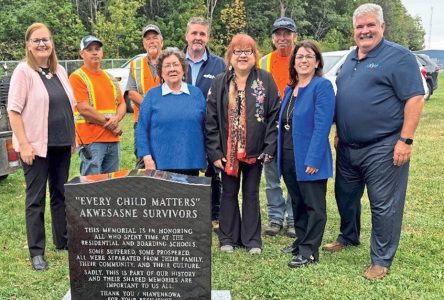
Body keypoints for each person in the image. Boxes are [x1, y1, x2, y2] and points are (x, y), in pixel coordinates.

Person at [323, 3, 424, 280]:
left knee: (383, 204)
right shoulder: (351, 58)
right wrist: (340, 130)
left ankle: (381, 259)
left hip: (383, 145)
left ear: (382, 27)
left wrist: (406, 139)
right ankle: (348, 236)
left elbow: (414, 98)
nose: (365, 31)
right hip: (347, 147)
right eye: (360, 26)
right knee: (345, 196)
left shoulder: (399, 57)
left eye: (370, 25)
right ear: (353, 30)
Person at [7, 23, 75, 270]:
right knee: (35, 199)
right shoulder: (23, 72)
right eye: (36, 40)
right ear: (28, 45)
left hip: (61, 144)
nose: (42, 44)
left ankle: (63, 240)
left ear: (52, 43)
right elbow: (13, 111)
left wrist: (72, 138)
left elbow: (68, 107)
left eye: (45, 39)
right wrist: (24, 144)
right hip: (35, 147)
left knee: (60, 194)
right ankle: (37, 252)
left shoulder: (59, 72)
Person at [205, 33, 280, 255]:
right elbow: (210, 119)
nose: (242, 55)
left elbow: (274, 115)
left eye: (248, 51)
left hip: (254, 151)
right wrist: (215, 151)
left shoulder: (266, 80)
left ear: (255, 55)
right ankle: (228, 237)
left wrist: (269, 146)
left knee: (251, 193)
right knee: (228, 193)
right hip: (227, 151)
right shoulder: (219, 82)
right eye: (237, 51)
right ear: (230, 56)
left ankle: (252, 240)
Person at [277, 40, 335, 267]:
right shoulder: (291, 89)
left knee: (314, 206)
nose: (303, 60)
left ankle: (310, 251)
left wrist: (313, 158)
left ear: (317, 61)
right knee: (298, 202)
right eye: (299, 57)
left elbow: (322, 126)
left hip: (310, 157)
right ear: (294, 62)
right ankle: (300, 241)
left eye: (308, 56)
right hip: (290, 155)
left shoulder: (322, 87)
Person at [136, 47, 206, 176]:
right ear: (161, 72)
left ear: (183, 69)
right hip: (159, 165)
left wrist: (206, 156)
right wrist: (146, 157)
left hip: (190, 163)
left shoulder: (196, 94)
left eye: (176, 65)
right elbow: (141, 128)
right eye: (167, 66)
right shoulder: (152, 96)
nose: (172, 69)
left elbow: (206, 127)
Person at [184, 17, 225, 231]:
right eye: (194, 33)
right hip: (183, 130)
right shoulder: (175, 60)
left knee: (213, 172)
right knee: (186, 171)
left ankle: (214, 214)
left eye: (202, 34)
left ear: (207, 37)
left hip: (211, 129)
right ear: (187, 36)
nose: (198, 38)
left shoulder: (219, 64)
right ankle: (187, 213)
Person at [258, 16, 298, 238]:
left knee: (292, 174)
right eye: (278, 34)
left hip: (294, 127)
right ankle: (275, 217)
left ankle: (292, 218)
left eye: (287, 33)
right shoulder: (263, 62)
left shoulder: (301, 58)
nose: (283, 38)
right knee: (271, 176)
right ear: (273, 38)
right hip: (270, 127)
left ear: (294, 36)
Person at [69, 35, 126, 176]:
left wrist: (117, 118)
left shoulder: (110, 78)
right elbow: (84, 109)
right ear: (82, 54)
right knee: (91, 190)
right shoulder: (77, 77)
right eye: (89, 49)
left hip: (112, 140)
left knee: (111, 186)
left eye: (97, 49)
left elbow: (122, 104)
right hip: (91, 142)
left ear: (102, 52)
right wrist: (112, 124)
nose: (94, 52)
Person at [126, 24, 162, 160]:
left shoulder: (170, 62)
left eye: (155, 37)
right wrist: (152, 108)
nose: (151, 41)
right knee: (143, 162)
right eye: (148, 39)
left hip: (165, 121)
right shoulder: (136, 64)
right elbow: (131, 92)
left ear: (161, 41)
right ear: (144, 44)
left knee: (165, 161)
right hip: (142, 121)